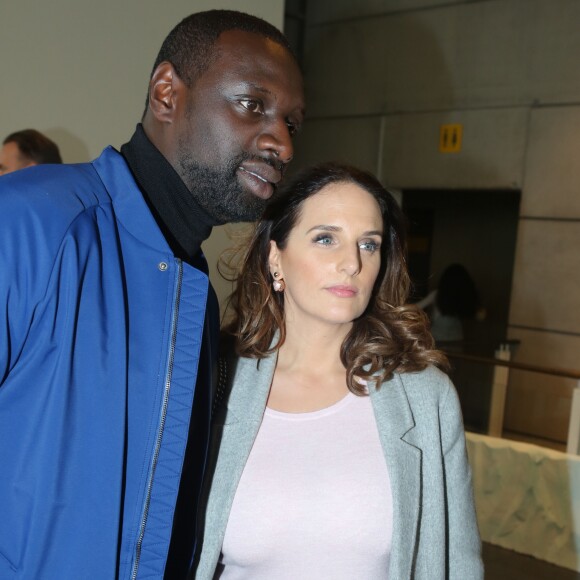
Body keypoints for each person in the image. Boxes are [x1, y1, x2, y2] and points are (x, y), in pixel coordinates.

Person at [0, 10, 304, 580]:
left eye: (293, 122)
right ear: (167, 93)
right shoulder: (27, 225)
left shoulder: (195, 293)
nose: (282, 143)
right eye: (252, 105)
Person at [196, 163, 484, 579]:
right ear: (277, 256)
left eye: (369, 245)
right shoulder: (215, 382)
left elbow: (458, 562)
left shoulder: (424, 398)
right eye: (326, 239)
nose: (351, 262)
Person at [416, 263, 483, 343]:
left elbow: (416, 307)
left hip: (438, 338)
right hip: (457, 338)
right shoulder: (463, 297)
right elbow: (480, 316)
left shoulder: (438, 294)